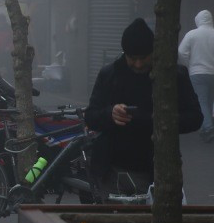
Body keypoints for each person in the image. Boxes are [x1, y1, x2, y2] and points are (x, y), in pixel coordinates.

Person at [85, 18, 204, 194]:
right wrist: (110, 114)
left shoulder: (174, 76)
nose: (138, 64)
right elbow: (91, 116)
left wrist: (153, 119)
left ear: (154, 52)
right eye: (132, 58)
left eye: (144, 58)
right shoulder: (109, 75)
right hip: (111, 169)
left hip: (157, 170)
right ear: (124, 53)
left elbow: (195, 118)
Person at [178, 9, 214, 143]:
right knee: (209, 101)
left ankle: (208, 127)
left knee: (201, 101)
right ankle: (205, 127)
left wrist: (189, 64)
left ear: (198, 20)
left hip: (197, 73)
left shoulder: (192, 34)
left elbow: (181, 52)